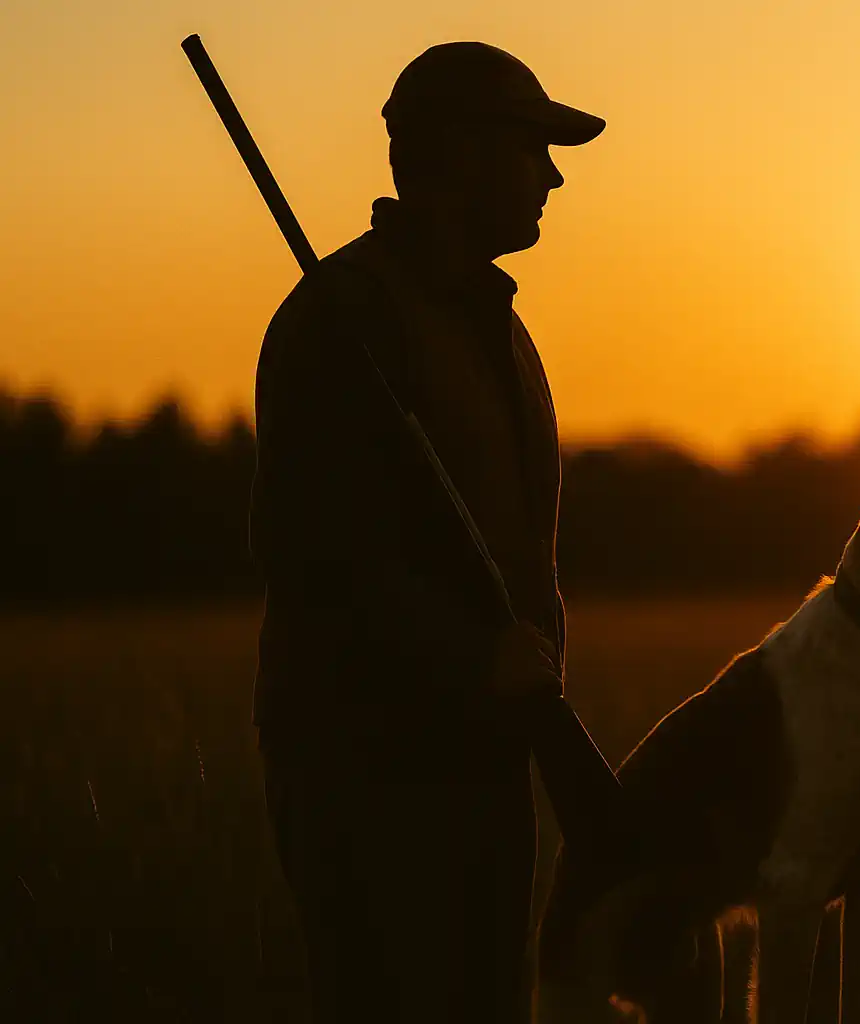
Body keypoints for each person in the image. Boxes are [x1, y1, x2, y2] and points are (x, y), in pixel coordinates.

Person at [248, 41, 605, 1022]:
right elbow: (319, 552)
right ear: (464, 153)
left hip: (485, 761)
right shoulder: (341, 320)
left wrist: (522, 688)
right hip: (370, 772)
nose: (553, 174)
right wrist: (470, 658)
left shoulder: (494, 324)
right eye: (535, 147)